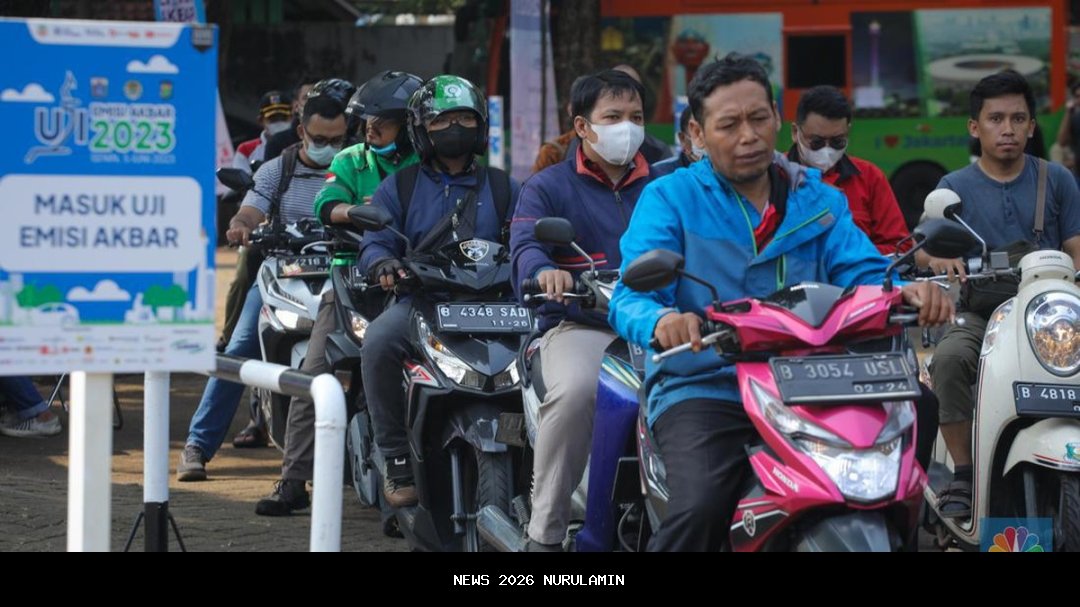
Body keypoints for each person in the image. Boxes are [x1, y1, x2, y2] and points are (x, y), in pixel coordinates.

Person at [607, 54, 953, 551]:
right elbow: (631, 294)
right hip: (708, 384)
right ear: (699, 136)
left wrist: (906, 292)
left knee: (916, 417)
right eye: (728, 124)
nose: (748, 135)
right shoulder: (670, 198)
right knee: (699, 506)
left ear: (776, 118)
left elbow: (861, 273)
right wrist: (664, 320)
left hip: (817, 381)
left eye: (757, 118)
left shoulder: (819, 199)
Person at [254, 70, 424, 517]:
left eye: (380, 123)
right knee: (312, 377)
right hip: (350, 283)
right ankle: (293, 480)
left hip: (418, 287)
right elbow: (324, 205)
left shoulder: (426, 167)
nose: (369, 131)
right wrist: (358, 213)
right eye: (365, 122)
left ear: (409, 126)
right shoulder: (352, 159)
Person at [924, 69, 1080, 521]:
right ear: (975, 127)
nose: (1007, 129)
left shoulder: (1058, 180)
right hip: (983, 313)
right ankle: (964, 474)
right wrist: (940, 263)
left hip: (1052, 313)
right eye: (995, 119)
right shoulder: (952, 187)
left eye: (1017, 118)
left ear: (1032, 126)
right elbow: (926, 252)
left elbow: (1075, 246)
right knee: (951, 358)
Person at [510, 69, 654, 551]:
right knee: (574, 394)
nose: (626, 127)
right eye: (612, 117)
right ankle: (545, 536)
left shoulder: (664, 182)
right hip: (580, 324)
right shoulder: (548, 186)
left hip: (660, 325)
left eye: (635, 116)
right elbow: (526, 246)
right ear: (582, 127)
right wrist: (545, 273)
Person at [359, 75, 519, 508]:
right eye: (443, 119)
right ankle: (394, 456)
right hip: (423, 302)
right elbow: (375, 239)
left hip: (497, 305)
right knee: (377, 342)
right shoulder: (401, 186)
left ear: (482, 126)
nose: (455, 127)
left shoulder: (504, 186)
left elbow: (527, 240)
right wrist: (382, 263)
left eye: (465, 117)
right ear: (421, 129)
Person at [177, 89, 350, 484]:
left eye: (337, 140)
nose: (329, 148)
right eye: (320, 140)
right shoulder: (277, 168)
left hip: (341, 279)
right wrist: (241, 226)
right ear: (302, 132)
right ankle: (197, 446)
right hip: (281, 275)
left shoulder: (354, 168)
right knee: (238, 350)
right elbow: (251, 208)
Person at [787, 85, 910, 255]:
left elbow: (900, 247)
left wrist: (849, 255)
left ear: (848, 132)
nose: (827, 150)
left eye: (837, 141)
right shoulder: (772, 175)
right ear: (795, 132)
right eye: (817, 142)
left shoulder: (870, 177)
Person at [233, 90, 293, 174]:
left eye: (283, 118)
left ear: (292, 117)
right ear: (261, 121)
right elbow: (241, 184)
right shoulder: (245, 150)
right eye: (273, 119)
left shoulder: (304, 146)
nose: (279, 122)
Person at [651, 106, 705, 178]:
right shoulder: (657, 174)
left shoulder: (723, 173)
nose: (703, 137)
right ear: (682, 139)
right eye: (697, 132)